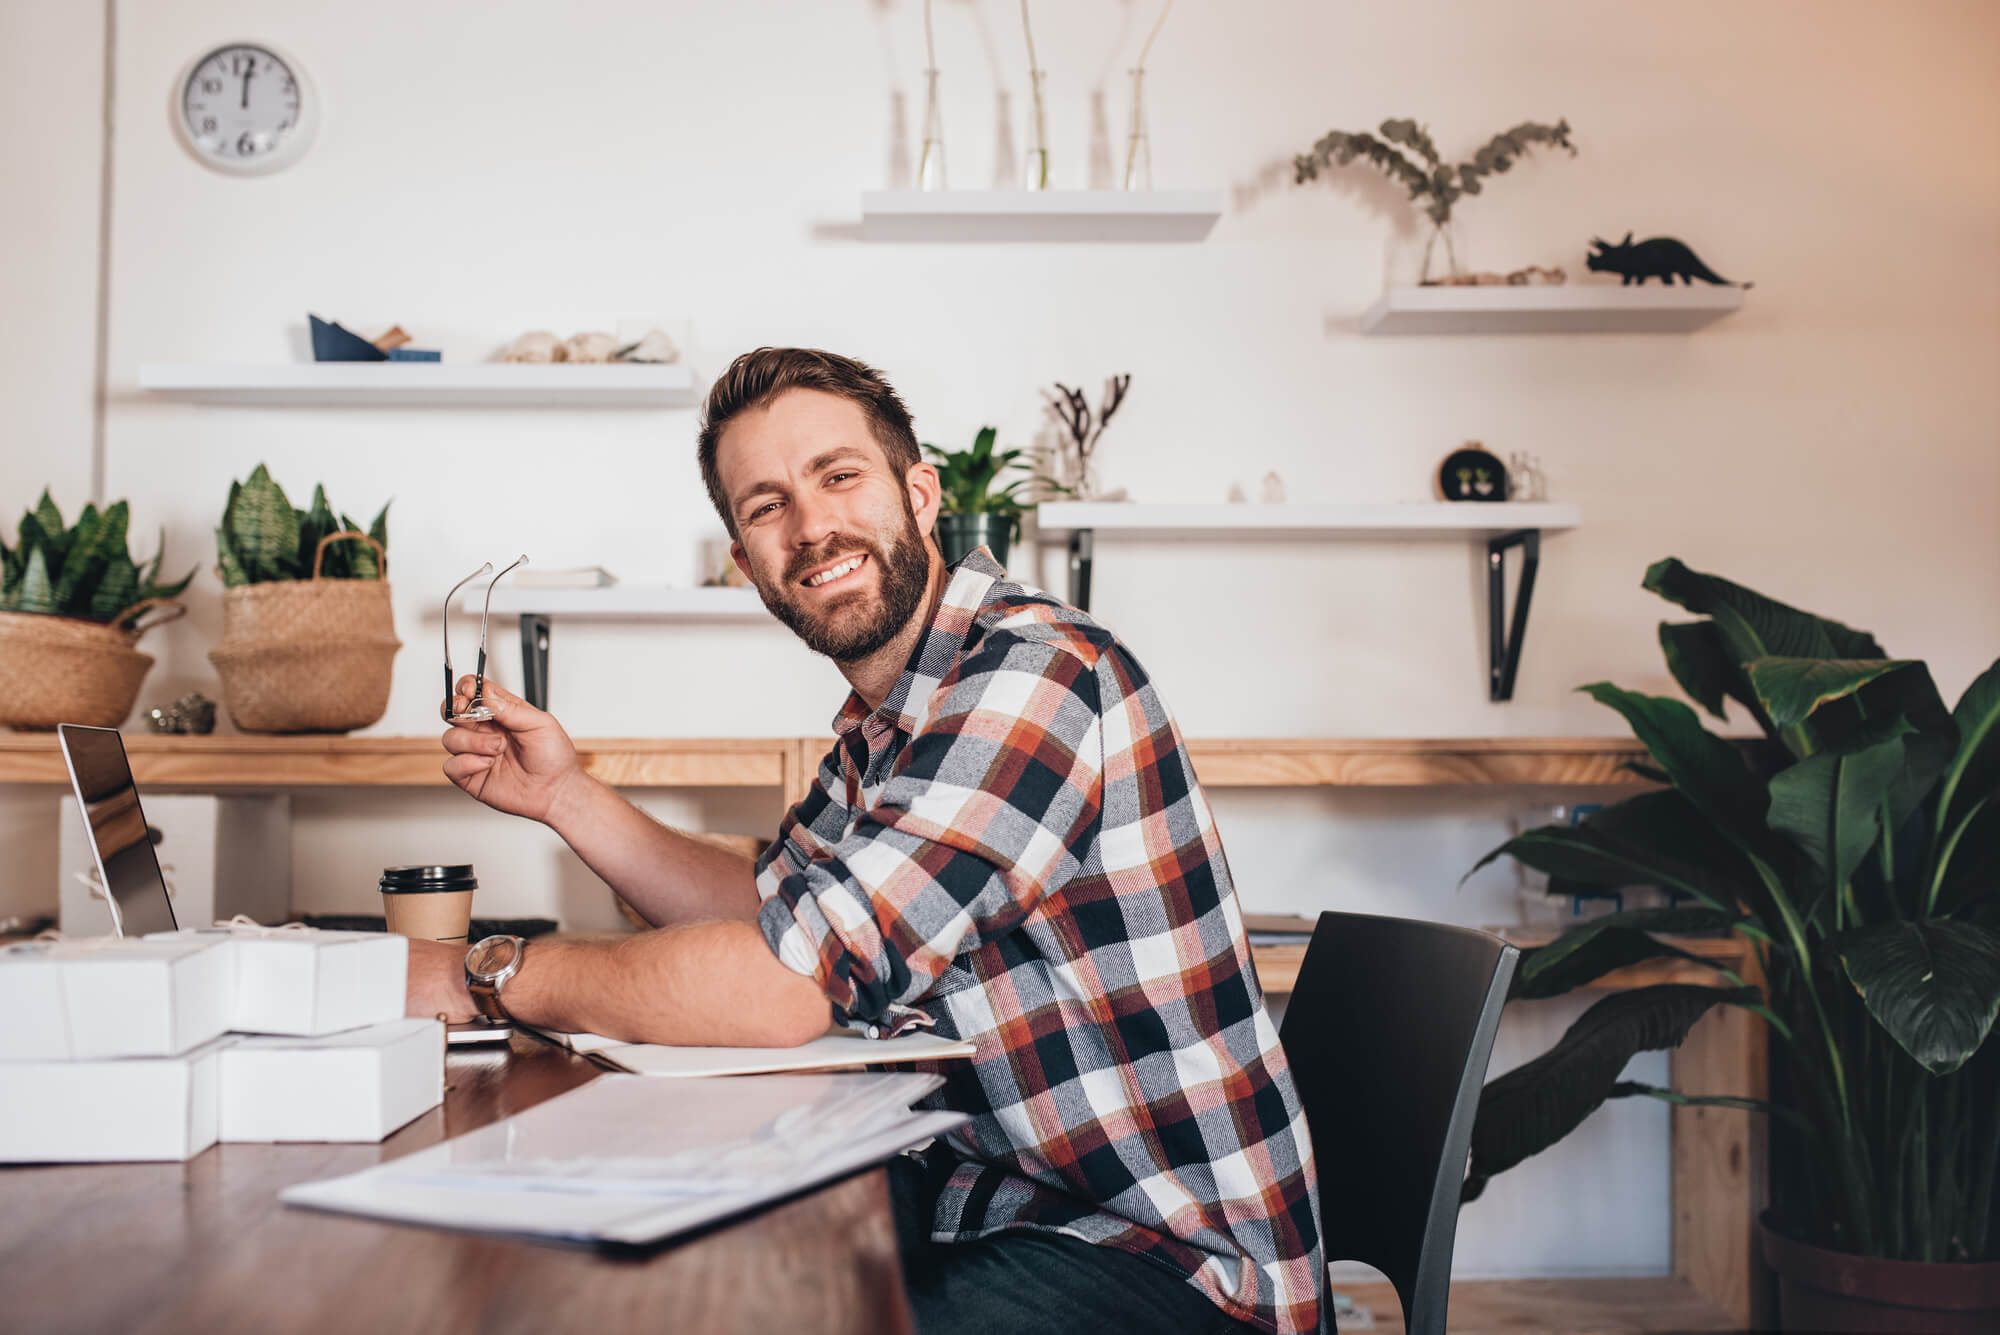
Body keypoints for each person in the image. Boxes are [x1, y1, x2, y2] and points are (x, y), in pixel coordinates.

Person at [409, 347, 1322, 1335]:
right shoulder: (885, 721)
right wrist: (567, 798)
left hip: (1170, 1263)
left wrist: (477, 975)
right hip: (996, 1203)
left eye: (837, 476)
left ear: (919, 493)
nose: (809, 527)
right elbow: (777, 912)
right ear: (744, 561)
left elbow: (781, 986)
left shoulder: (1031, 679)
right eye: (764, 507)